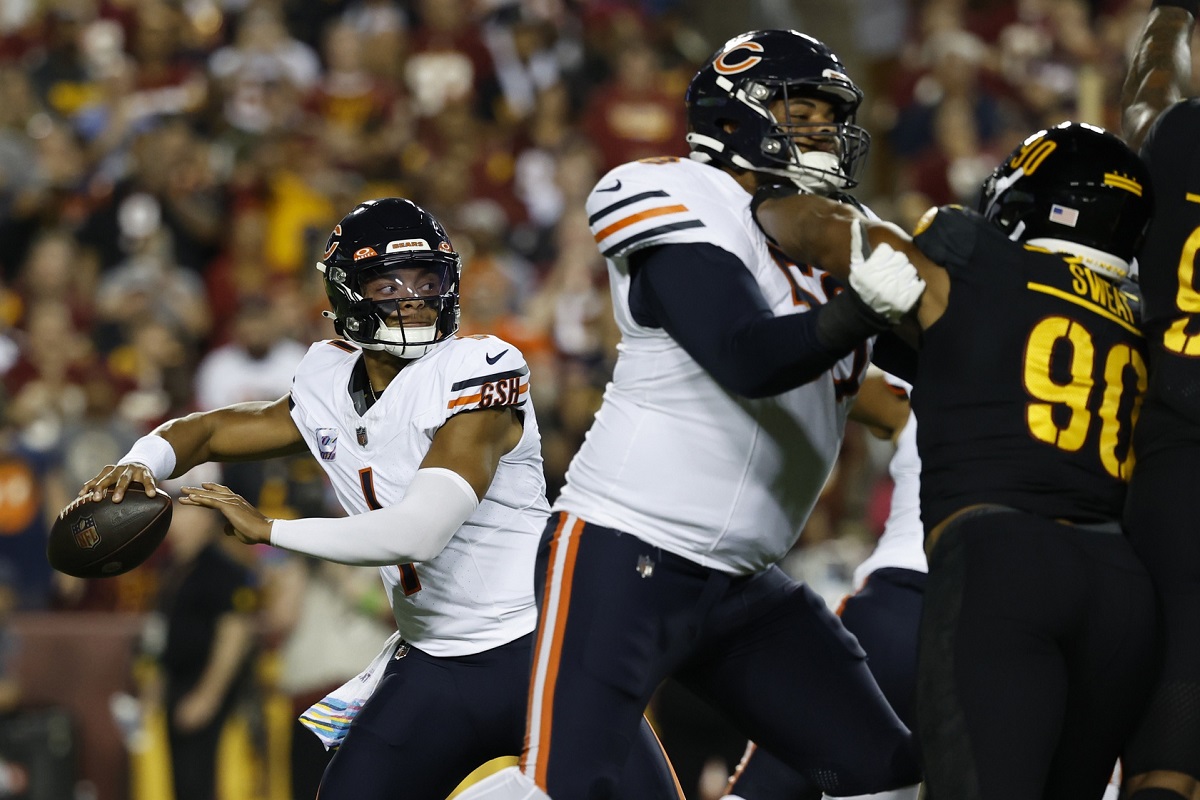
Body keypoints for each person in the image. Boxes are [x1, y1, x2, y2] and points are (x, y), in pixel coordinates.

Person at [78, 198, 681, 800]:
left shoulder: (482, 366)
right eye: (387, 281)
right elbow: (208, 431)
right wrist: (137, 463)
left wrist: (272, 530)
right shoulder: (326, 382)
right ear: (346, 291)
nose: (413, 295)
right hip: (434, 663)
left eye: (428, 278)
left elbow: (421, 531)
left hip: (544, 648)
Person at [453, 29, 924, 800]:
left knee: (879, 772)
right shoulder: (674, 191)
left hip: (743, 580)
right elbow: (745, 353)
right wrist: (868, 305)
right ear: (735, 117)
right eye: (799, 110)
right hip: (627, 550)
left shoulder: (830, 244)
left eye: (829, 116)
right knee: (569, 788)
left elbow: (906, 383)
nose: (821, 132)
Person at [756, 121, 1161, 800]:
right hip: (1122, 594)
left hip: (1005, 562)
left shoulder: (978, 259)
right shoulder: (1143, 322)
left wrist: (761, 202)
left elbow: (827, 234)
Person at [724, 374, 925, 800]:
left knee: (765, 787)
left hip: (904, 601)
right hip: (1021, 626)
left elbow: (832, 378)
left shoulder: (943, 356)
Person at [1117, 2, 1200, 797]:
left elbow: (1148, 88)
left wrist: (1173, 13)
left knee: (1177, 673)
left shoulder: (1175, 135)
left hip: (1175, 454)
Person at [140, 501, 259, 800]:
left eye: (186, 511)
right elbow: (162, 632)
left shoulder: (220, 568)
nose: (177, 521)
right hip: (178, 688)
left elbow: (235, 633)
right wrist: (155, 684)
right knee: (182, 784)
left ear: (207, 519)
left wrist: (208, 695)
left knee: (206, 781)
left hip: (209, 692)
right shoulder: (173, 568)